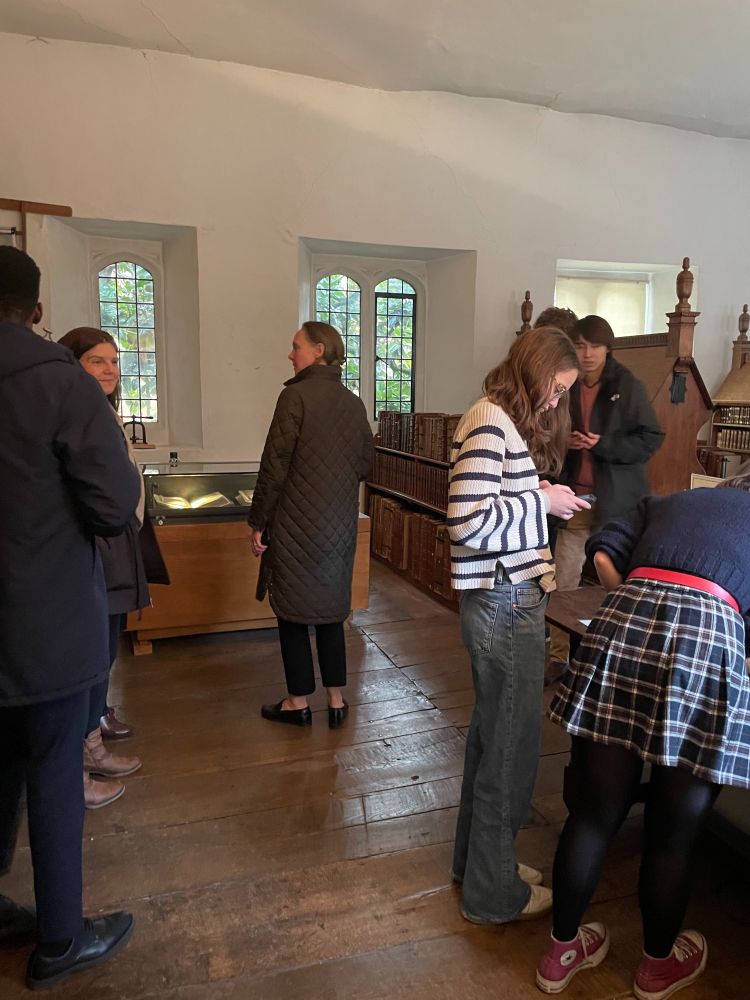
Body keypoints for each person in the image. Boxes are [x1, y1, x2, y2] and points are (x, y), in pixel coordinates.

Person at [537, 476, 750, 998]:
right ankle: (656, 967)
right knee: (673, 834)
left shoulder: (674, 500)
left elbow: (603, 550)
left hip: (623, 618)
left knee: (593, 812)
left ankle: (561, 952)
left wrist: (646, 613)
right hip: (708, 636)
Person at [0, 246, 140, 987]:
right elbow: (115, 505)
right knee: (52, 775)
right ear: (36, 308)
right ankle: (59, 940)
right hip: (42, 618)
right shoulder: (59, 385)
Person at [446, 327, 592, 924]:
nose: (556, 403)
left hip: (506, 598)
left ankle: (478, 866)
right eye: (555, 390)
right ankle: (493, 894)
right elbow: (467, 521)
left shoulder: (497, 419)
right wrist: (544, 501)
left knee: (492, 743)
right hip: (505, 601)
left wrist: (538, 489)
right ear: (533, 372)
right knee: (510, 754)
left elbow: (492, 498)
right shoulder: (488, 419)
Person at [248, 321, 373, 728]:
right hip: (338, 526)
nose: (291, 354)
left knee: (293, 613)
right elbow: (365, 465)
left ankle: (297, 702)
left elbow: (274, 468)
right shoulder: (353, 404)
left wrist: (258, 521)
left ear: (318, 350)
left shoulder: (294, 397)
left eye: (295, 346)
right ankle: (337, 700)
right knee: (332, 610)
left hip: (294, 527)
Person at [58, 327, 156, 808]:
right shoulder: (72, 413)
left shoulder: (104, 412)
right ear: (72, 365)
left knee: (105, 650)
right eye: (97, 361)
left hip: (116, 543)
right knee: (89, 652)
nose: (110, 369)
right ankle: (79, 757)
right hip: (93, 546)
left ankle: (92, 742)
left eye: (114, 361)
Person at [547, 315, 663, 680]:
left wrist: (604, 444)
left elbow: (651, 437)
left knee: (614, 585)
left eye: (595, 346)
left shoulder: (626, 385)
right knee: (563, 582)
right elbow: (547, 428)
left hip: (615, 502)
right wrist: (563, 443)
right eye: (580, 345)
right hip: (573, 498)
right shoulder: (566, 383)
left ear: (607, 348)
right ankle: (559, 657)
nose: (587, 353)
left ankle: (610, 661)